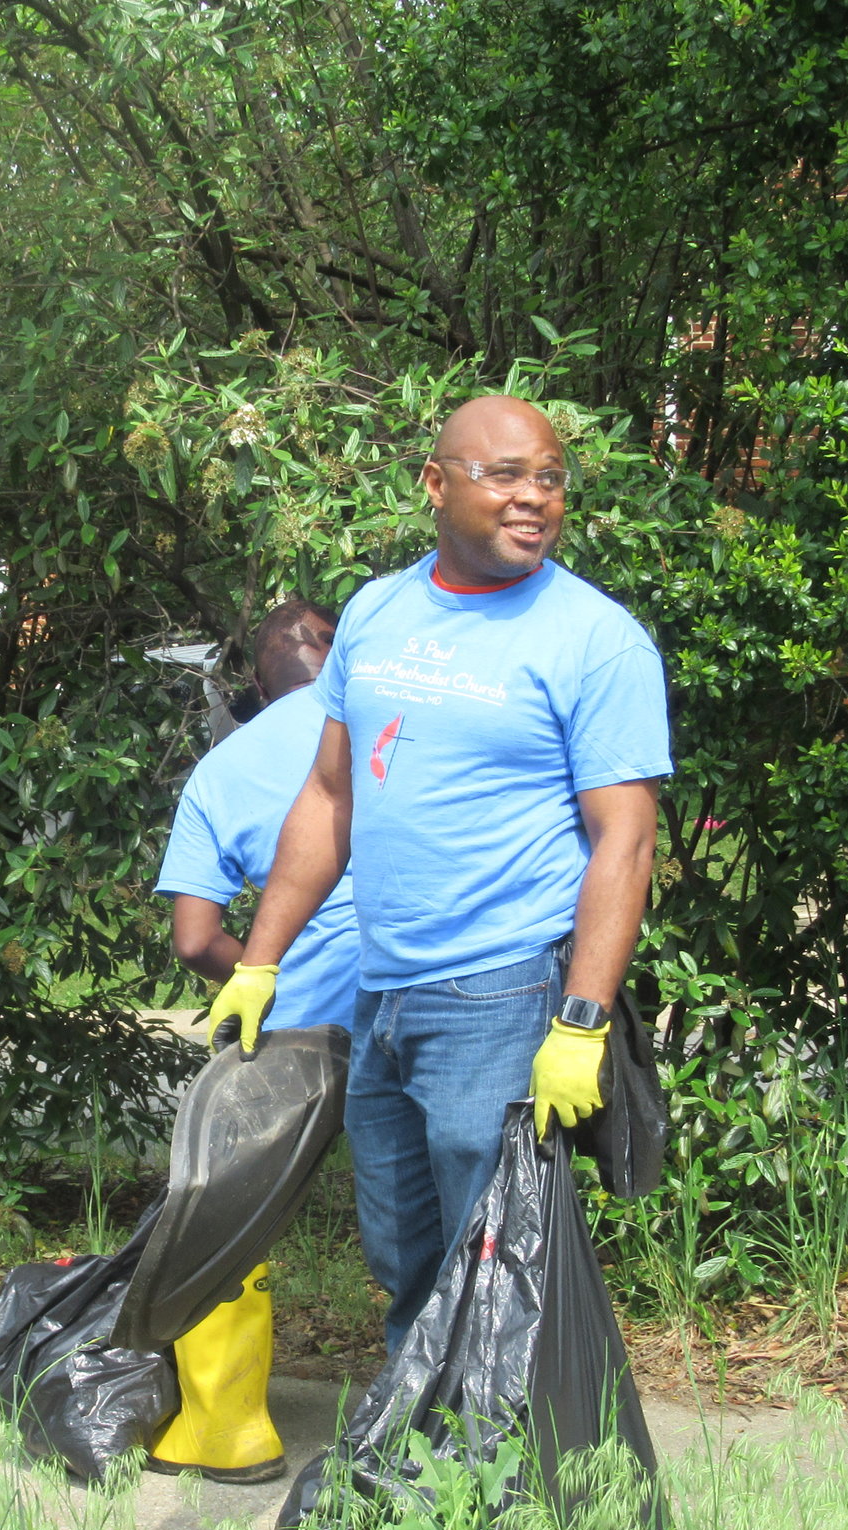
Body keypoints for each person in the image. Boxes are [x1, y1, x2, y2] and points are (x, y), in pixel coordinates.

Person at [203, 396, 671, 1349]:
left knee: (494, 1250)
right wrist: (259, 960)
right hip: (385, 993)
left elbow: (626, 841)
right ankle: (429, 1440)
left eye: (548, 477)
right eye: (503, 475)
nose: (531, 497)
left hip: (501, 993)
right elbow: (331, 797)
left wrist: (580, 1020)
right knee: (404, 1245)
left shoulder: (596, 638)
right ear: (436, 483)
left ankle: (512, 1469)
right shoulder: (376, 614)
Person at [146, 596, 358, 1481]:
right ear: (339, 653)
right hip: (429, 994)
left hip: (296, 1022)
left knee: (225, 1205)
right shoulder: (398, 723)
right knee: (442, 1213)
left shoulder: (222, 770)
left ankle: (229, 1432)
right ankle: (461, 1423)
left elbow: (194, 939)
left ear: (254, 681)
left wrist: (268, 971)